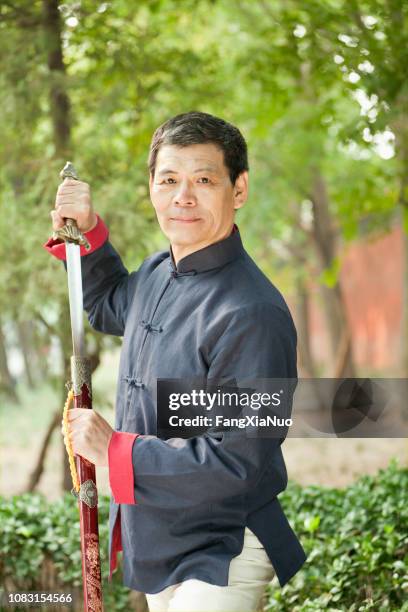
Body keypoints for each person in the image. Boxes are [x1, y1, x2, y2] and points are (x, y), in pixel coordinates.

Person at [45, 111, 307, 612]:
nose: (182, 196)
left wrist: (116, 450)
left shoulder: (255, 312)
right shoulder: (157, 272)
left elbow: (241, 460)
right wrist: (89, 232)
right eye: (169, 180)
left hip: (223, 546)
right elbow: (107, 304)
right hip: (161, 534)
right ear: (152, 188)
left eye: (203, 180)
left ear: (239, 189)